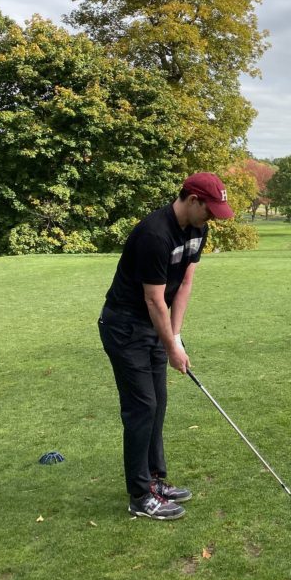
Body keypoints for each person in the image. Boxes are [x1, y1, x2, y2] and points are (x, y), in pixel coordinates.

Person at [98, 173, 234, 520]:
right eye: (210, 210)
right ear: (192, 200)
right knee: (141, 407)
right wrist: (171, 347)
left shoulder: (198, 230)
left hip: (154, 327)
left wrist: (174, 335)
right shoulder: (154, 234)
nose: (213, 218)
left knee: (157, 403)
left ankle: (156, 480)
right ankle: (140, 496)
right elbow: (154, 299)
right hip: (125, 326)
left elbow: (185, 283)